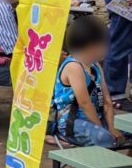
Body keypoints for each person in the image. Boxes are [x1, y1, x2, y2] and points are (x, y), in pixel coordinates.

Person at [52, 16, 129, 148]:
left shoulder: (95, 65)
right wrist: (103, 128)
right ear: (93, 46)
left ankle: (126, 167)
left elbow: (106, 100)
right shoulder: (74, 66)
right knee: (105, 138)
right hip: (73, 122)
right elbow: (84, 103)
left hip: (96, 118)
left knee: (126, 131)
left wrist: (111, 126)